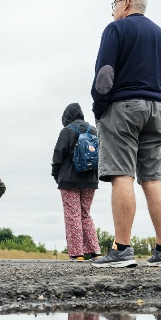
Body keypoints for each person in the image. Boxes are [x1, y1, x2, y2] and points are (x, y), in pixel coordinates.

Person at [91, 0, 161, 268]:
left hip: (123, 107)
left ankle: (122, 248)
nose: (113, 9)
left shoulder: (115, 30)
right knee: (152, 177)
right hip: (157, 109)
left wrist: (99, 109)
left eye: (114, 3)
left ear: (126, 3)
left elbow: (105, 76)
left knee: (122, 175)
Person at [51, 103, 102, 262]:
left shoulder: (67, 131)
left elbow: (58, 156)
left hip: (69, 179)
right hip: (90, 179)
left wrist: (56, 175)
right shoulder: (93, 130)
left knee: (72, 215)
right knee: (85, 214)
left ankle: (77, 253)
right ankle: (94, 251)